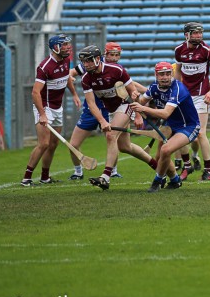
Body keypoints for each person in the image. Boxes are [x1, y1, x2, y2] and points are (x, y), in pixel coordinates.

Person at [78, 45, 161, 191]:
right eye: (84, 62)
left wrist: (137, 114)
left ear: (98, 59)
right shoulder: (86, 78)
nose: (86, 64)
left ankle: (105, 177)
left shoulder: (116, 70)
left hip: (125, 105)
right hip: (111, 111)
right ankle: (158, 167)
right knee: (125, 147)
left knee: (111, 136)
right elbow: (91, 104)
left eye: (89, 61)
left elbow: (133, 92)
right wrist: (102, 121)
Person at [21, 34, 80, 186]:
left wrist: (74, 94)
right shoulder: (45, 67)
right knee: (44, 144)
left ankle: (45, 177)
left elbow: (66, 77)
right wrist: (42, 114)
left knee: (53, 144)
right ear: (55, 47)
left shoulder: (66, 60)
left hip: (57, 107)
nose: (68, 47)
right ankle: (26, 178)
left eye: (68, 44)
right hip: (45, 107)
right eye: (64, 44)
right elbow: (35, 92)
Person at [133, 62, 201, 192]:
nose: (165, 77)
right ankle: (175, 180)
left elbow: (165, 114)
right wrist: (136, 99)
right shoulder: (153, 87)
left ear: (172, 74)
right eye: (161, 74)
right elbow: (141, 103)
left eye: (168, 74)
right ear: (156, 75)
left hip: (188, 126)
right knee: (160, 157)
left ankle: (157, 181)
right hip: (171, 125)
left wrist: (143, 108)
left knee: (165, 150)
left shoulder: (178, 89)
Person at [67, 41, 125, 181]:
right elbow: (70, 74)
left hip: (109, 109)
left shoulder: (116, 69)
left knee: (112, 139)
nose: (115, 58)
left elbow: (129, 85)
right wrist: (74, 93)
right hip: (90, 109)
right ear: (104, 54)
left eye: (117, 55)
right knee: (73, 144)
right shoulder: (89, 63)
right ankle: (78, 172)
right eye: (112, 54)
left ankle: (113, 171)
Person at [173, 21, 210, 181]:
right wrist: (175, 92)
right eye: (195, 33)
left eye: (200, 33)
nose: (198, 36)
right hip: (184, 96)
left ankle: (209, 170)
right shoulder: (179, 50)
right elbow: (178, 72)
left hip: (202, 96)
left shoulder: (207, 50)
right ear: (186, 35)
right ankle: (187, 166)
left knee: (200, 133)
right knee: (182, 132)